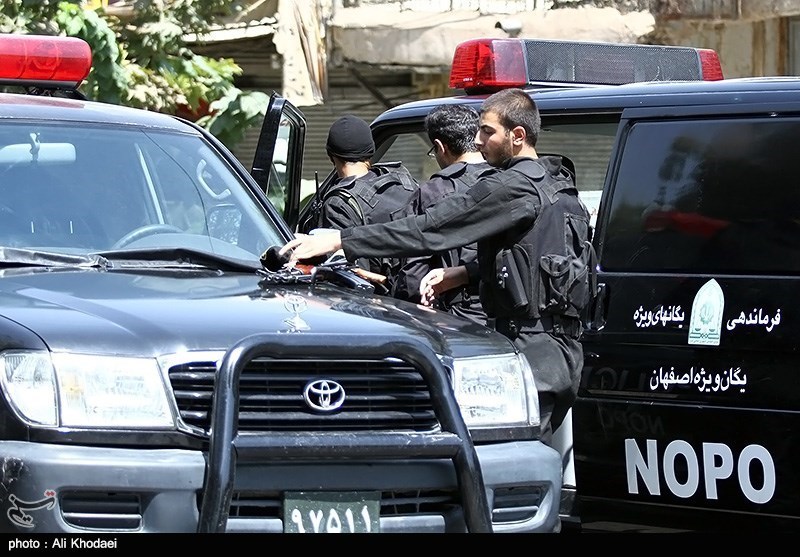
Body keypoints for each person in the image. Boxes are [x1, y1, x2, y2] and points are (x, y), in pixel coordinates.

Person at [281, 89, 594, 446]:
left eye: (488, 131)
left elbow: (430, 229)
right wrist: (463, 273)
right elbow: (533, 257)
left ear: (517, 135)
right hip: (562, 353)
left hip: (531, 352)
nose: (478, 140)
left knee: (499, 464)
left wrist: (340, 240)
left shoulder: (511, 187)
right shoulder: (556, 181)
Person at [391, 104, 493, 325]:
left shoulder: (433, 192)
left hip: (459, 318)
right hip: (512, 315)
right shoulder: (509, 180)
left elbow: (413, 275)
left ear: (440, 146)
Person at [297, 114, 418, 291]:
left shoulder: (339, 203)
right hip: (426, 290)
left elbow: (347, 275)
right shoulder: (404, 181)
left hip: (380, 300)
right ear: (371, 151)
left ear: (331, 156)